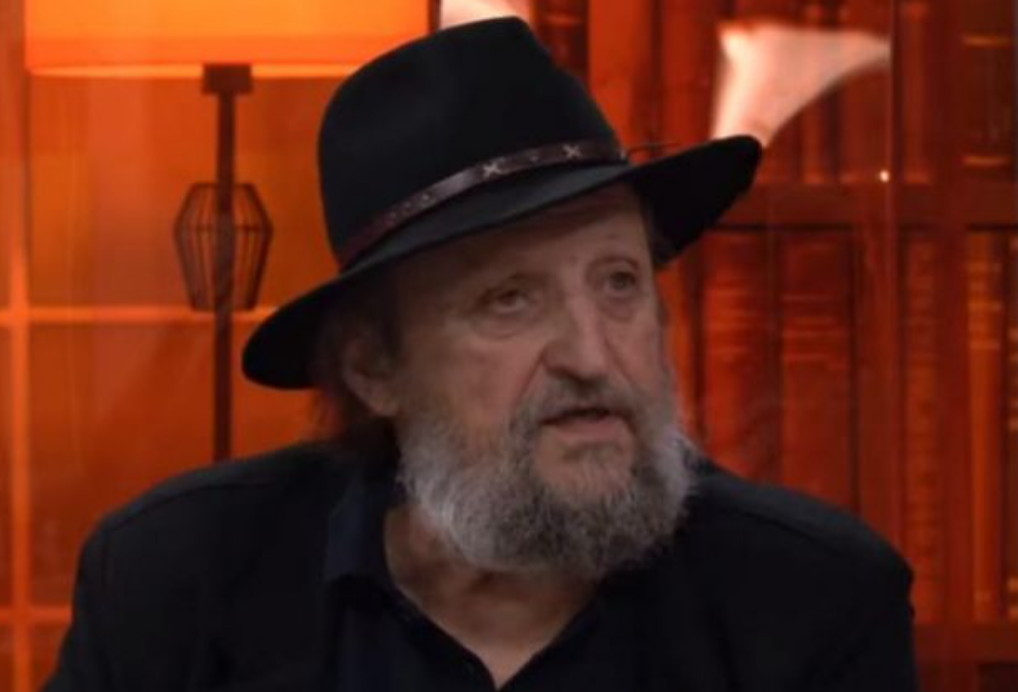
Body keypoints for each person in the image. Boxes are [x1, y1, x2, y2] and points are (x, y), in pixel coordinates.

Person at [44, 17, 918, 692]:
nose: (592, 355)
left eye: (619, 283)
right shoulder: (175, 585)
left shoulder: (814, 602)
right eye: (510, 300)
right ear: (374, 368)